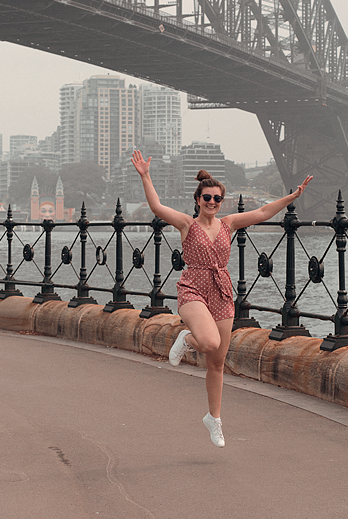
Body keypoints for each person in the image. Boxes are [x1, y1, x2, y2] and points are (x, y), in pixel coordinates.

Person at [130, 150, 311, 448]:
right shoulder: (187, 224)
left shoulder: (228, 224)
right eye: (207, 198)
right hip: (193, 288)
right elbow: (157, 206)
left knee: (217, 363)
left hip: (222, 292)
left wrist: (292, 197)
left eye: (216, 199)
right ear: (197, 200)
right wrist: (145, 176)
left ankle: (214, 419)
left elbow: (264, 213)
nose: (212, 202)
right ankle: (188, 339)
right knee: (209, 342)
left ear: (221, 201)